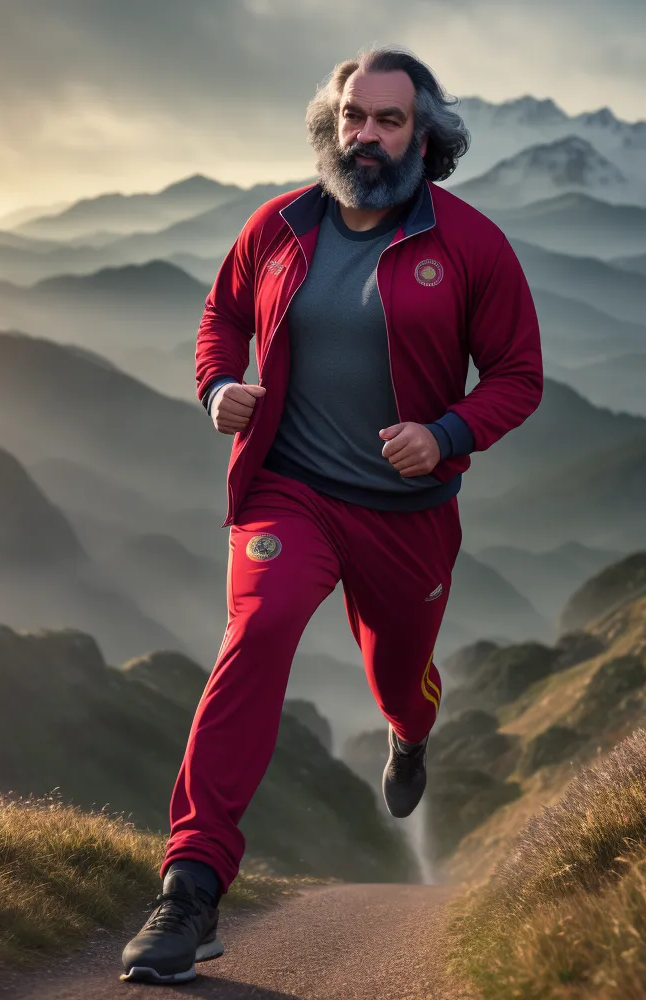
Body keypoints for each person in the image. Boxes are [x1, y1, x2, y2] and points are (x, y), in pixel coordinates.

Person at [121, 45, 542, 984]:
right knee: (256, 633)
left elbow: (518, 378)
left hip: (408, 510)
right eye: (354, 116)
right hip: (289, 489)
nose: (367, 136)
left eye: (389, 121)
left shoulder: (470, 245)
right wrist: (220, 383)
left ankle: (409, 729)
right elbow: (221, 316)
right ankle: (189, 890)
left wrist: (445, 432)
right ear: (331, 123)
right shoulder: (279, 224)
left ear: (424, 136)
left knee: (401, 674)